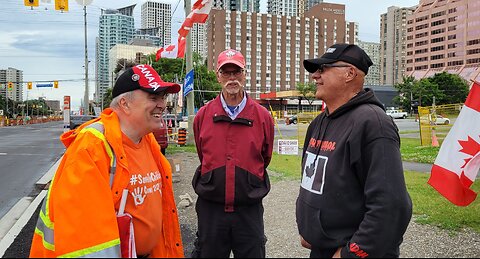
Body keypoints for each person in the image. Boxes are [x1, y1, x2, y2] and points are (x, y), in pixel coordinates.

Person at [30, 64, 184, 258]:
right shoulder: (91, 148)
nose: (163, 104)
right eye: (154, 97)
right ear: (124, 104)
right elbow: (87, 246)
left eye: (163, 97)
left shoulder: (147, 140)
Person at [296, 44, 412, 258]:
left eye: (323, 69)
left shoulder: (373, 124)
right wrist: (309, 228)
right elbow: (311, 183)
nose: (315, 76)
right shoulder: (319, 122)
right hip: (321, 249)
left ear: (350, 73)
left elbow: (391, 207)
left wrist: (351, 253)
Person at [191, 49, 275, 258]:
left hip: (248, 210)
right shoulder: (203, 115)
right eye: (226, 73)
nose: (232, 78)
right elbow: (203, 155)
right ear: (218, 76)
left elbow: (265, 157)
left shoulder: (262, 116)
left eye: (236, 72)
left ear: (244, 74)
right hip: (212, 209)